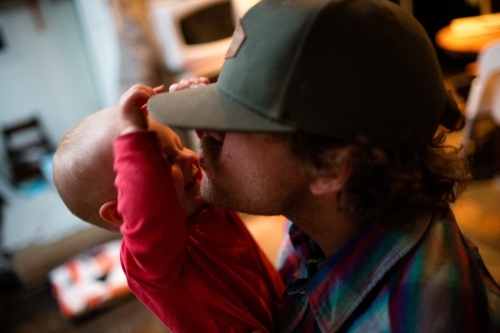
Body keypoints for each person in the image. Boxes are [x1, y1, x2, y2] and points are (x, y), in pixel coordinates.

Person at [146, 0, 500, 332]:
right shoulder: (318, 219)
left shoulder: (412, 320)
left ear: (331, 167)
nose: (206, 133)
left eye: (236, 121)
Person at [53, 80, 284, 332]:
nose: (188, 156)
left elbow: (232, 165)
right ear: (121, 212)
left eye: (179, 144)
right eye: (162, 162)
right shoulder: (148, 261)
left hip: (281, 307)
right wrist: (134, 137)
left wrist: (203, 116)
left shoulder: (201, 195)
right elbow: (153, 216)